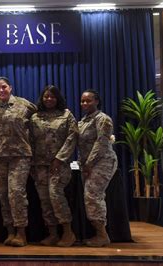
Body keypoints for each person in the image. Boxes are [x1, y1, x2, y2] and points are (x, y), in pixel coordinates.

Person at [0, 76, 37, 247]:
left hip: (19, 156)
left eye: (4, 87)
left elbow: (40, 120)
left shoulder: (24, 105)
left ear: (11, 88)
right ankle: (10, 232)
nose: (1, 90)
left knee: (16, 193)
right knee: (3, 195)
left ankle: (21, 232)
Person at [30, 85, 78, 247]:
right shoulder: (35, 117)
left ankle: (68, 233)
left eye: (52, 96)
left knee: (55, 196)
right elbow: (30, 141)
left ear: (58, 98)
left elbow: (72, 137)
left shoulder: (66, 115)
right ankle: (52, 234)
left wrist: (59, 159)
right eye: (46, 96)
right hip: (40, 166)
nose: (49, 99)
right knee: (44, 200)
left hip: (58, 165)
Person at [78, 89, 118, 247]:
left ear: (97, 101)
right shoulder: (84, 121)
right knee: (91, 196)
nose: (85, 103)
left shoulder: (103, 119)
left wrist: (88, 164)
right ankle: (98, 233)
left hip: (102, 162)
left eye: (89, 100)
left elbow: (101, 144)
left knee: (93, 196)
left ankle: (102, 235)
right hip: (88, 164)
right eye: (83, 101)